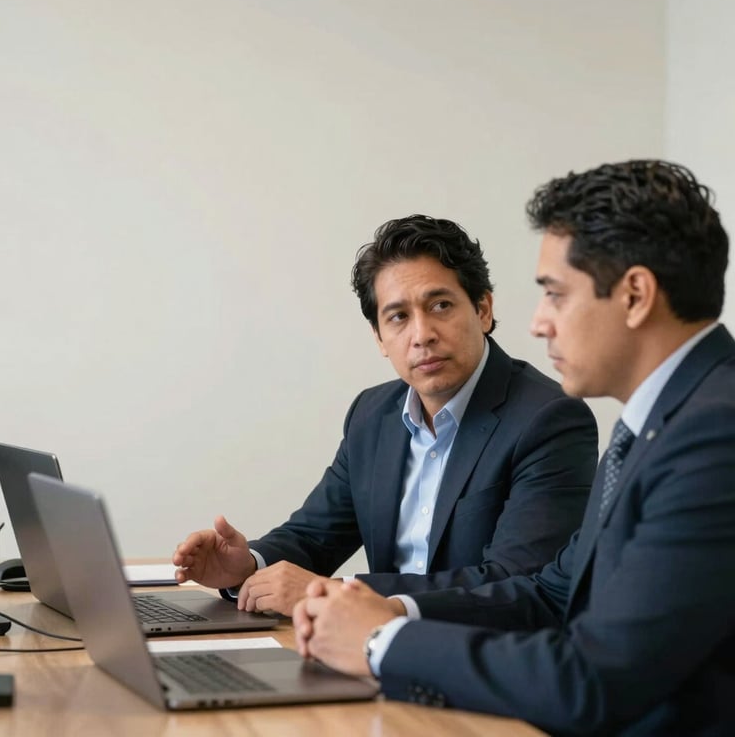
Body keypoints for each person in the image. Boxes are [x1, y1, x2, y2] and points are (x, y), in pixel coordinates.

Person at [294, 161, 735, 736]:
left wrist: (382, 643)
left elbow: (594, 680)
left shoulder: (714, 436)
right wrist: (390, 611)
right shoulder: (665, 420)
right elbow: (551, 592)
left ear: (634, 295)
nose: (539, 323)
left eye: (555, 295)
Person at [173, 214, 597, 616]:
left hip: (476, 657)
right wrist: (246, 565)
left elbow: (517, 584)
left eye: (441, 306)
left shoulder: (550, 419)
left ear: (483, 310)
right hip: (370, 648)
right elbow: (314, 536)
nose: (422, 335)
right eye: (398, 317)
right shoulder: (373, 414)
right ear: (379, 337)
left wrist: (336, 594)